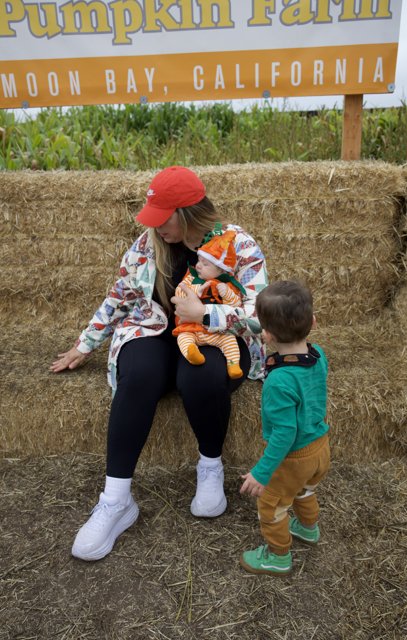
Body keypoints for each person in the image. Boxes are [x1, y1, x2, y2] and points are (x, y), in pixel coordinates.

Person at [50, 165, 268, 562]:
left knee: (200, 376)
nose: (155, 226)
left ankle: (210, 467)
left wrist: (206, 314)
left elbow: (259, 312)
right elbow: (119, 295)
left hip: (213, 336)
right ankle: (116, 502)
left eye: (162, 217)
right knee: (139, 374)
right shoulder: (147, 245)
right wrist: (85, 344)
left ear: (187, 214)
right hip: (153, 330)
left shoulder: (239, 245)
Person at [239, 280, 330, 577]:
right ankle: (308, 528)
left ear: (266, 335)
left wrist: (262, 472)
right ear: (313, 322)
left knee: (272, 506)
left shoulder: (278, 381)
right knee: (304, 492)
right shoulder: (317, 355)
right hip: (320, 448)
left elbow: (284, 433)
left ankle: (277, 556)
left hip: (294, 458)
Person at [172, 228, 246, 379]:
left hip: (217, 331)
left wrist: (226, 292)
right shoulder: (191, 278)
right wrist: (195, 291)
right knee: (183, 338)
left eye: (205, 264)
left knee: (229, 340)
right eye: (199, 260)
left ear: (221, 271)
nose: (198, 265)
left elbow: (236, 305)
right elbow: (179, 293)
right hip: (192, 328)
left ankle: (233, 365)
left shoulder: (227, 284)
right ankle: (192, 353)